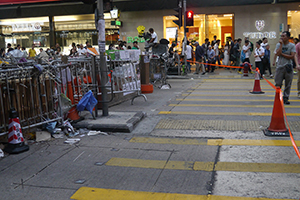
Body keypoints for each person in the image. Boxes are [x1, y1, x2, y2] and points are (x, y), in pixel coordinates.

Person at [274, 31, 297, 104]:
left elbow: (292, 56)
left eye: (283, 36)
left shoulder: (292, 45)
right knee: (278, 83)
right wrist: (281, 45)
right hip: (280, 66)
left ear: (288, 37)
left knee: (288, 83)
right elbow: (277, 53)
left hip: (288, 67)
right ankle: (278, 97)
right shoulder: (278, 45)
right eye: (281, 36)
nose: (282, 37)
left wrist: (282, 54)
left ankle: (286, 97)